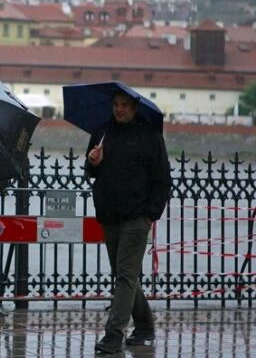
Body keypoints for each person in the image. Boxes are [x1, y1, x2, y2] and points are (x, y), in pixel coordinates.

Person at [85, 91, 171, 354]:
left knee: (124, 275)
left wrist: (150, 214)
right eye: (115, 105)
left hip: (137, 217)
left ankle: (114, 333)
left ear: (135, 108)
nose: (119, 110)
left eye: (124, 105)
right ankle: (144, 325)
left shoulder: (150, 137)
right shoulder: (102, 132)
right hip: (109, 214)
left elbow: (163, 180)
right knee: (125, 275)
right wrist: (93, 162)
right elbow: (91, 171)